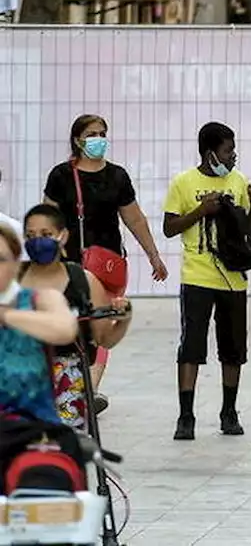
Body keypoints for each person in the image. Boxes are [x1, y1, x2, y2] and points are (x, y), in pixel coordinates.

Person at [43, 114, 167, 412]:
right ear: (77, 140)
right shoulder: (61, 175)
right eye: (92, 134)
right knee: (69, 326)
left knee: (102, 323)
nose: (99, 139)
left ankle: (89, 389)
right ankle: (68, 385)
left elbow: (133, 218)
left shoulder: (117, 176)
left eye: (102, 133)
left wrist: (153, 254)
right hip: (69, 264)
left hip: (108, 264)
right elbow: (47, 217)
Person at [163, 122, 251, 440]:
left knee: (233, 348)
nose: (233, 156)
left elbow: (248, 227)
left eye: (233, 150)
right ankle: (186, 415)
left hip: (233, 279)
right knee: (191, 346)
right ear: (211, 153)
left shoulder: (238, 180)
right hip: (197, 277)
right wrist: (200, 210)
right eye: (228, 150)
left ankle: (229, 411)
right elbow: (169, 227)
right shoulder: (183, 182)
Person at [18, 205, 133, 431]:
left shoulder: (83, 281)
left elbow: (104, 338)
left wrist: (123, 319)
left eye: (46, 235)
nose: (37, 241)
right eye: (30, 236)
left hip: (67, 379)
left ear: (63, 236)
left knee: (61, 451)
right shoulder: (11, 278)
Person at [0, 224, 79, 425]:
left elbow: (65, 329)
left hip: (32, 428)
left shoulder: (40, 299)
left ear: (16, 264)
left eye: (1, 260)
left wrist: (6, 316)